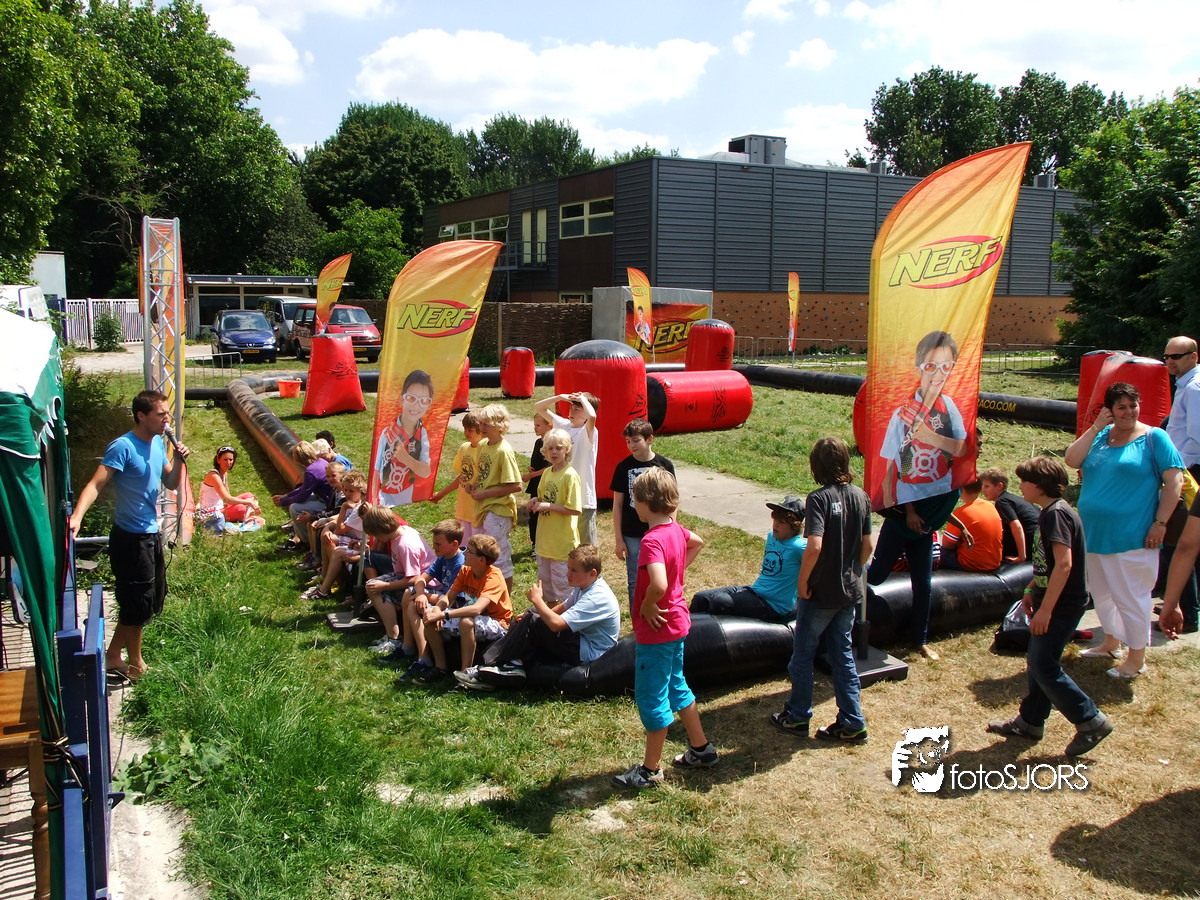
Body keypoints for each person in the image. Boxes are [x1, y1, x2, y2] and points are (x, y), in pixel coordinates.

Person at [987, 457, 1113, 756]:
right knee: (1038, 661)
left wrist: (1047, 610)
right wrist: (1032, 587)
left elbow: (1065, 564)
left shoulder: (1056, 515)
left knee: (1044, 664)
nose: (1020, 487)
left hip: (1061, 604)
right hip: (1051, 598)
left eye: (1024, 481)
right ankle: (1030, 722)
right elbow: (1049, 563)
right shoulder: (1050, 512)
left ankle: (1091, 720)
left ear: (1040, 485)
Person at [69, 389, 190, 683]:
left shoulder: (158, 444)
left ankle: (113, 655)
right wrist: (77, 516)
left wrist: (179, 460)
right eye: (161, 415)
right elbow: (96, 484)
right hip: (130, 539)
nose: (167, 420)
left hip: (150, 534)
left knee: (150, 599)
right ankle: (136, 665)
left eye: (167, 414)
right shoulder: (122, 447)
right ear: (141, 416)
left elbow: (171, 482)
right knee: (137, 604)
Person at [1065, 382, 1183, 679]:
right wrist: (1095, 427)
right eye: (1121, 407)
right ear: (1109, 410)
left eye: (1133, 405)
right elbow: (1071, 460)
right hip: (1094, 533)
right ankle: (1111, 642)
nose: (1129, 412)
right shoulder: (1101, 435)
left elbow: (1175, 482)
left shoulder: (1155, 438)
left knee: (1131, 597)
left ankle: (1136, 658)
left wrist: (1160, 523)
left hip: (1133, 536)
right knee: (1103, 593)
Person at [612, 467, 716, 790]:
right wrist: (676, 572)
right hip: (678, 626)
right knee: (676, 685)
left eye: (635, 500)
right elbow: (696, 542)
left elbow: (657, 583)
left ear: (645, 503)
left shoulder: (651, 540)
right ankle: (701, 749)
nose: (634, 506)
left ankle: (650, 770)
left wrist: (647, 603)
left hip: (657, 632)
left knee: (652, 697)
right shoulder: (675, 530)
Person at [770, 437, 873, 744]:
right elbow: (867, 545)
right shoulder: (861, 496)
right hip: (849, 591)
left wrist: (803, 582)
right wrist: (851, 571)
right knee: (842, 655)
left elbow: (814, 545)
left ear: (816, 466)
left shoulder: (818, 499)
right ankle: (852, 721)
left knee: (802, 655)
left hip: (821, 593)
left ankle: (797, 716)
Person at [460, 543, 621, 690]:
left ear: (592, 573)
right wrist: (532, 612)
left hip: (590, 653)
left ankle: (485, 666)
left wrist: (537, 601)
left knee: (534, 620)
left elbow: (556, 624)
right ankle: (512, 663)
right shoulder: (584, 585)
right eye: (568, 568)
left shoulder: (596, 598)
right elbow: (562, 608)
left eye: (574, 570)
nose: (568, 574)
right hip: (581, 639)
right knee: (530, 615)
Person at [879, 330, 969, 509]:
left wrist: (930, 437)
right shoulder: (902, 414)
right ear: (918, 370)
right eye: (930, 366)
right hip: (909, 495)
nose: (939, 374)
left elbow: (961, 449)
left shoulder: (949, 406)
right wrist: (887, 495)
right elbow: (888, 458)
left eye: (946, 366)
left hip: (942, 492)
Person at [413, 534, 512, 684]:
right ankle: (440, 667)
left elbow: (476, 609)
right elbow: (448, 597)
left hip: (498, 624)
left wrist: (443, 615)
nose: (464, 553)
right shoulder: (466, 570)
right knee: (429, 613)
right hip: (473, 618)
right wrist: (437, 610)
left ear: (481, 559)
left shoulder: (493, 577)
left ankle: (464, 674)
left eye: (469, 551)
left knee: (466, 621)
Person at [690, 496, 806, 622]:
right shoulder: (772, 536)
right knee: (701, 598)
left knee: (718, 601)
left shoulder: (799, 547)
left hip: (774, 605)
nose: (775, 525)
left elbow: (818, 565)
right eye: (775, 519)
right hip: (754, 591)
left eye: (782, 522)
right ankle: (684, 631)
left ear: (795, 526)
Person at [609, 418, 676, 602]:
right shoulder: (623, 467)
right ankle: (637, 615)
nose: (631, 445)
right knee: (635, 579)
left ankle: (658, 610)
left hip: (659, 532)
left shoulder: (665, 465)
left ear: (650, 439)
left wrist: (672, 528)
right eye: (628, 441)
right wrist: (619, 539)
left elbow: (672, 500)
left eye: (636, 440)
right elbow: (618, 505)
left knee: (660, 575)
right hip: (632, 534)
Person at [1160, 335, 1200, 633]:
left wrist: (1180, 473)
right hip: (1183, 471)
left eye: (1176, 356)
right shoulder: (1186, 385)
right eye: (1166, 356)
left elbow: (1196, 436)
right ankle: (1181, 605)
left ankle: (1187, 613)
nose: (1169, 361)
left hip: (1189, 473)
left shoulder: (1195, 388)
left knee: (1181, 543)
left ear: (1193, 357)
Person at [360, 505, 435, 656]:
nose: (376, 538)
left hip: (426, 584)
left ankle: (394, 640)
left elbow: (415, 578)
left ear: (382, 529)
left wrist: (386, 586)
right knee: (372, 585)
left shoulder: (406, 545)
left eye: (375, 534)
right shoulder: (397, 535)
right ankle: (391, 635)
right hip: (404, 576)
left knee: (377, 588)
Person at [464, 404, 522, 591]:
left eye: (486, 424)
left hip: (497, 509)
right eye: (481, 423)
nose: (481, 427)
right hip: (481, 508)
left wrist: (485, 493)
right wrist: (474, 484)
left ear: (499, 425)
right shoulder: (483, 445)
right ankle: (484, 593)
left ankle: (504, 599)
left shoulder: (504, 450)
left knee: (498, 557)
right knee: (479, 553)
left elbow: (516, 485)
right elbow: (483, 473)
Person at [534, 391, 599, 545]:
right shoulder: (564, 425)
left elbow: (592, 417)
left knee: (586, 546)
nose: (572, 411)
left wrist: (582, 398)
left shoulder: (589, 431)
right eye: (571, 408)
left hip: (583, 499)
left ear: (586, 411)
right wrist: (560, 397)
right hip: (564, 497)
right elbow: (539, 407)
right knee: (568, 542)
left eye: (577, 409)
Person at [396, 519, 465, 662]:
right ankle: (408, 646)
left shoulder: (460, 564)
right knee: (410, 593)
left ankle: (424, 655)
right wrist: (420, 594)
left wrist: (424, 596)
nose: (434, 546)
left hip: (455, 605)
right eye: (434, 543)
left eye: (438, 544)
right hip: (444, 598)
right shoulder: (444, 557)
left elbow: (452, 599)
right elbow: (421, 579)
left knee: (413, 601)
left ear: (454, 544)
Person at [527, 428, 582, 605]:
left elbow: (574, 509)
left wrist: (547, 506)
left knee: (564, 586)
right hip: (545, 542)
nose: (554, 452)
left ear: (567, 449)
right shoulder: (547, 473)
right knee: (546, 587)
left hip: (562, 544)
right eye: (550, 448)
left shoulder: (570, 475)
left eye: (559, 448)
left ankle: (567, 619)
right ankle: (550, 617)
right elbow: (542, 497)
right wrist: (535, 500)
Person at [301, 469, 367, 602]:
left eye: (351, 491)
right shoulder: (353, 503)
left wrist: (343, 508)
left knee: (330, 539)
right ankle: (325, 574)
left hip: (361, 542)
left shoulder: (360, 508)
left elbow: (341, 529)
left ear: (361, 491)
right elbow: (338, 521)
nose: (347, 494)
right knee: (325, 534)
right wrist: (327, 526)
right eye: (345, 490)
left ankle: (333, 582)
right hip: (353, 538)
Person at [375, 370, 433, 506]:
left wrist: (406, 458)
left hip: (406, 496)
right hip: (382, 495)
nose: (417, 405)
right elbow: (376, 470)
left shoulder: (422, 433)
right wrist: (373, 498)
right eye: (411, 398)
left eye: (424, 400)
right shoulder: (387, 432)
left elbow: (426, 472)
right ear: (402, 399)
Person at [430, 412, 482, 542]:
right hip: (464, 509)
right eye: (465, 429)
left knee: (478, 546)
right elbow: (462, 477)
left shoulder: (486, 450)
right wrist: (441, 494)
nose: (466, 433)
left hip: (479, 510)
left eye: (470, 430)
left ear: (481, 429)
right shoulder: (464, 448)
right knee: (464, 545)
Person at [272, 441, 332, 551]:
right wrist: (286, 495)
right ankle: (300, 534)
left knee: (295, 508)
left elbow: (302, 496)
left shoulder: (311, 471)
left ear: (298, 458)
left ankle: (305, 540)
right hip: (324, 497)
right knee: (297, 503)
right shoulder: (321, 462)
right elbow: (305, 487)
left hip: (327, 503)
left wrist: (283, 501)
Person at [939, 479, 1003, 571]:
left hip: (970, 564)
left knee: (931, 550)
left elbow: (947, 545)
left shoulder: (962, 513)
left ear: (961, 489)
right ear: (980, 487)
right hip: (994, 562)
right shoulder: (990, 506)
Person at [196, 446, 263, 533]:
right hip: (212, 512)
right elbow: (227, 499)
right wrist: (249, 503)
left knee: (249, 495)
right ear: (218, 460)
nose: (228, 463)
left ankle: (244, 515)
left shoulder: (224, 474)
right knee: (241, 508)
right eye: (225, 460)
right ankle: (244, 515)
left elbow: (228, 499)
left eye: (231, 460)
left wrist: (245, 501)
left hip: (221, 506)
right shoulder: (214, 476)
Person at [979, 466, 1039, 562]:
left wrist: (1021, 556)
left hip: (1029, 541)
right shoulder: (1015, 498)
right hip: (1039, 541)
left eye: (987, 486)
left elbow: (1016, 526)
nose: (983, 490)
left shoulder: (1002, 501)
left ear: (1000, 486)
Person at [522, 413, 551, 548]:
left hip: (544, 484)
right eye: (534, 425)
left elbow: (548, 468)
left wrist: (531, 475)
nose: (535, 428)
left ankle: (543, 543)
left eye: (538, 425)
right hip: (535, 484)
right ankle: (535, 543)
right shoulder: (538, 442)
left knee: (542, 514)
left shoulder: (550, 444)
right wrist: (531, 468)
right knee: (533, 514)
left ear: (548, 426)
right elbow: (538, 462)